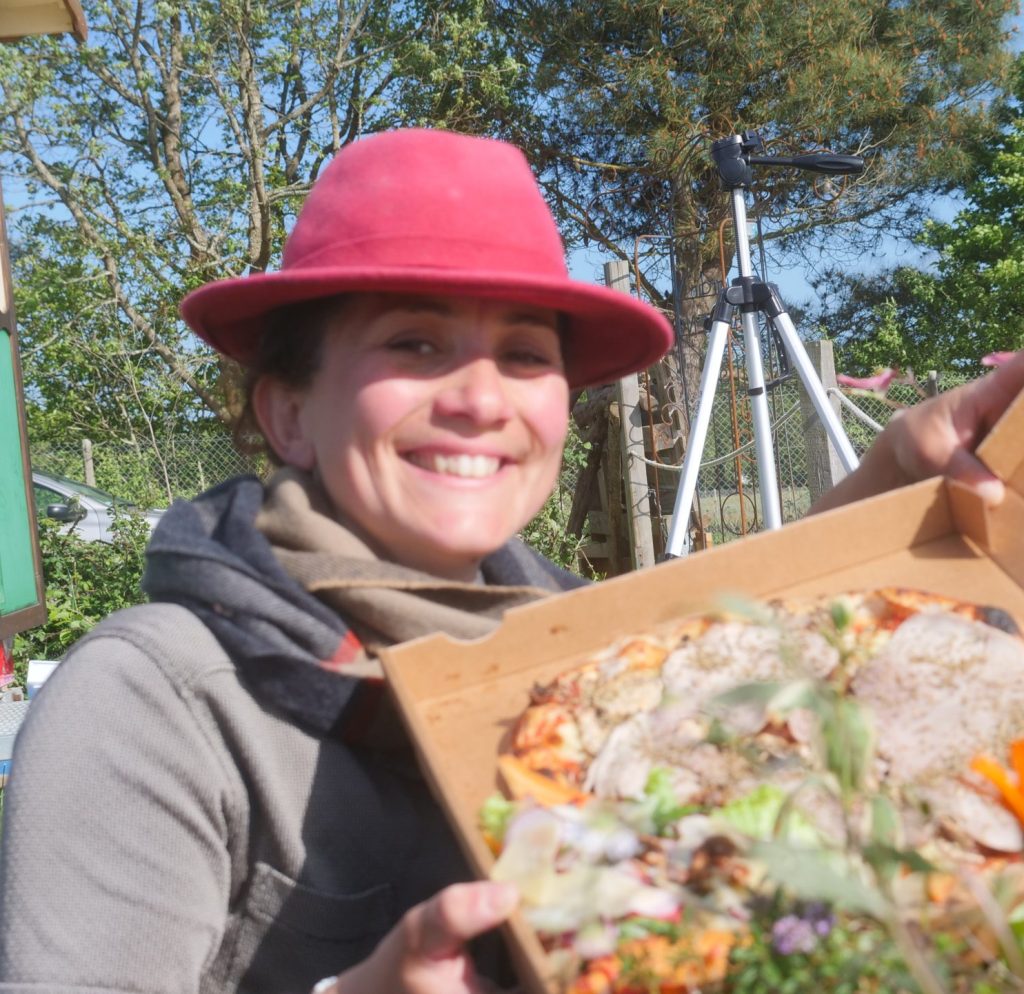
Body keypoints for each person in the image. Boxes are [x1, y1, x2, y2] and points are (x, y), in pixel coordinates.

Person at [0, 127, 1021, 994]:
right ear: (288, 412)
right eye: (413, 344)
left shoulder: (580, 665)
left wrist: (905, 463)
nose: (481, 400)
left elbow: (755, 639)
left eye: (525, 355)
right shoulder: (159, 699)